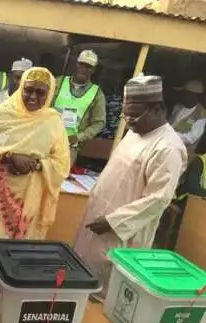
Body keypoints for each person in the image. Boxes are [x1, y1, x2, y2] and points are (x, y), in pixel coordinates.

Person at [73, 75, 187, 300]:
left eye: (135, 115)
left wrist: (113, 221)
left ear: (158, 108)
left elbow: (158, 199)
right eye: (126, 114)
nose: (129, 121)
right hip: (97, 223)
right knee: (81, 280)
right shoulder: (136, 132)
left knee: (102, 293)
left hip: (120, 234)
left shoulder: (167, 148)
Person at [0, 67, 70, 301]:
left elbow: (61, 163)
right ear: (21, 87)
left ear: (50, 94)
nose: (33, 97)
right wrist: (10, 157)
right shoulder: (4, 113)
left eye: (40, 93)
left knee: (21, 251)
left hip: (30, 198)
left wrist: (37, 164)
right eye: (28, 90)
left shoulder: (53, 122)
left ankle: (10, 302)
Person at [53, 50, 106, 164]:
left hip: (69, 147)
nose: (84, 69)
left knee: (58, 177)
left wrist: (79, 137)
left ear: (93, 70)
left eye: (88, 67)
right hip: (48, 139)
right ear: (77, 64)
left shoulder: (97, 93)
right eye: (81, 64)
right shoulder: (58, 82)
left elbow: (99, 122)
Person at [0, 57, 33, 122]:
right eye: (18, 78)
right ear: (9, 76)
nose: (20, 82)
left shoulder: (31, 105)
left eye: (24, 79)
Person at [169, 80, 206, 155]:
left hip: (182, 153)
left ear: (195, 95)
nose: (182, 95)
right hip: (166, 146)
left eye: (186, 93)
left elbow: (190, 138)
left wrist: (168, 135)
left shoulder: (202, 115)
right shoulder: (178, 106)